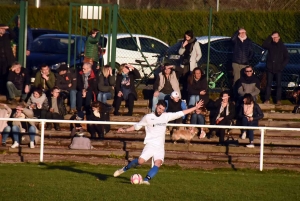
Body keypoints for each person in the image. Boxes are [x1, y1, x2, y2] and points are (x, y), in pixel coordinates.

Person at [113, 99, 204, 185]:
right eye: (159, 108)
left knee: (158, 163)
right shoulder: (148, 117)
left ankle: (146, 180)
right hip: (150, 144)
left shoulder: (166, 116)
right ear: (156, 106)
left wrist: (195, 108)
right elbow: (136, 126)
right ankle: (124, 169)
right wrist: (125, 130)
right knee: (140, 162)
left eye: (162, 109)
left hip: (160, 146)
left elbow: (180, 113)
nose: (160, 111)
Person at [262, 31, 289, 105]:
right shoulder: (270, 45)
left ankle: (278, 100)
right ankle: (267, 99)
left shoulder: (282, 46)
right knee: (268, 84)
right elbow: (264, 45)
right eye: (273, 37)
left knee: (279, 85)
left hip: (278, 69)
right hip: (270, 68)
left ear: (279, 37)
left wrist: (282, 66)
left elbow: (286, 58)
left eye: (276, 37)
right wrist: (270, 37)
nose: (275, 38)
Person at [178, 30, 201, 99]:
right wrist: (183, 46)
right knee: (184, 80)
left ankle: (190, 95)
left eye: (188, 37)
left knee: (190, 79)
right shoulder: (183, 42)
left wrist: (195, 60)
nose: (186, 38)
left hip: (191, 64)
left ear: (191, 36)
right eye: (185, 37)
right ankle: (184, 96)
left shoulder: (195, 43)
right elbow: (180, 53)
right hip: (184, 64)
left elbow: (199, 54)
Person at [0, 24, 16, 94]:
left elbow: (13, 35)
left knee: (7, 74)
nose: (3, 30)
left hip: (8, 59)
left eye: (4, 29)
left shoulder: (7, 36)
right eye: (1, 29)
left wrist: (8, 28)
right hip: (1, 59)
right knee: (1, 75)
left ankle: (6, 91)